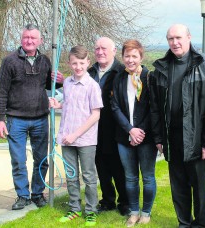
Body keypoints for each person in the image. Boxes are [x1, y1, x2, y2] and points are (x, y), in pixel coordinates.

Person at [150, 24, 205, 227]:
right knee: (178, 185)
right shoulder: (161, 68)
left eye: (179, 37)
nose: (175, 42)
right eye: (170, 38)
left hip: (198, 139)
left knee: (198, 186)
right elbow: (155, 108)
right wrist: (158, 138)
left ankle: (200, 224)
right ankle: (184, 223)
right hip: (172, 137)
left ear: (189, 37)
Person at [0, 24, 63, 210]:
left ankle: (38, 193)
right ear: (21, 39)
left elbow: (49, 85)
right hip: (16, 119)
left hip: (40, 118)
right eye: (26, 37)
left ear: (40, 40)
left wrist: (60, 80)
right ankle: (22, 195)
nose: (29, 41)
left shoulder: (45, 61)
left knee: (41, 159)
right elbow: (1, 91)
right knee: (18, 160)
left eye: (33, 38)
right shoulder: (10, 61)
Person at [49, 45, 103, 226]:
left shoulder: (92, 86)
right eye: (74, 63)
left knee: (88, 177)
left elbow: (95, 115)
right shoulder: (67, 84)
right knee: (71, 176)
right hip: (67, 138)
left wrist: (75, 135)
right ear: (69, 63)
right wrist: (58, 105)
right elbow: (72, 106)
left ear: (88, 62)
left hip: (85, 140)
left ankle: (91, 211)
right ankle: (74, 208)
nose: (78, 66)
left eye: (81, 63)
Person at [111, 39, 157, 227]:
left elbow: (153, 108)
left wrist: (139, 131)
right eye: (127, 56)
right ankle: (134, 211)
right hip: (124, 136)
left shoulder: (148, 77)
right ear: (122, 57)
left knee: (147, 177)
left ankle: (146, 212)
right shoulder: (119, 77)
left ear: (141, 57)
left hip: (146, 137)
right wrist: (129, 129)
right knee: (130, 177)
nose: (130, 60)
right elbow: (114, 107)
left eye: (134, 56)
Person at [88, 37, 129, 216]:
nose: (100, 52)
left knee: (119, 168)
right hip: (93, 129)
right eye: (97, 48)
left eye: (104, 48)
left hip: (116, 128)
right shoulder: (89, 72)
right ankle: (107, 200)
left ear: (113, 50)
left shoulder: (122, 72)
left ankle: (125, 202)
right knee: (102, 168)